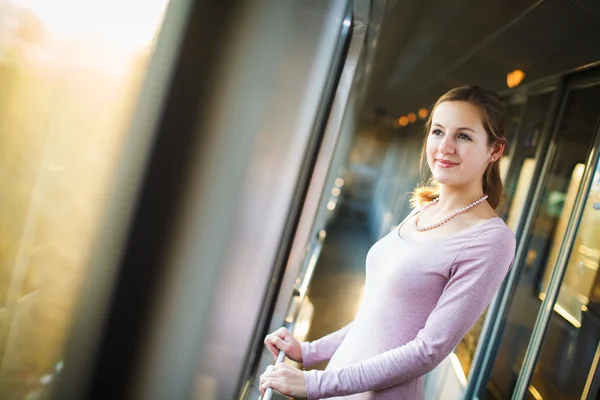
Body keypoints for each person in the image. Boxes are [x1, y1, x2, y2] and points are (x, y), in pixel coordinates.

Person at [259, 85, 516, 399]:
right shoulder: (424, 209)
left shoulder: (490, 240)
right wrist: (308, 351)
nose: (445, 147)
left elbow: (427, 351)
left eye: (463, 136)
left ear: (495, 150)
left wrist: (314, 384)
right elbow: (377, 318)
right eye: (438, 131)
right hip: (341, 387)